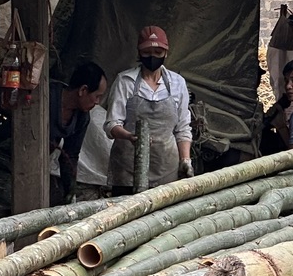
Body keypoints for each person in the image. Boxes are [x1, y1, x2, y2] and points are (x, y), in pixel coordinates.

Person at [105, 26, 193, 194]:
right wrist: (129, 136)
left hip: (166, 168)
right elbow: (111, 124)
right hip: (128, 169)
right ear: (139, 53)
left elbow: (182, 128)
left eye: (158, 52)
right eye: (147, 52)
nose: (152, 57)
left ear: (166, 53)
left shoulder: (177, 83)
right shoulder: (126, 81)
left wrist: (185, 160)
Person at [48, 62, 108, 204]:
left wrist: (70, 192)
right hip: (8, 157)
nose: (98, 102)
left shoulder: (82, 117)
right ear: (83, 90)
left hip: (36, 166)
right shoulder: (47, 97)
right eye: (97, 96)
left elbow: (70, 155)